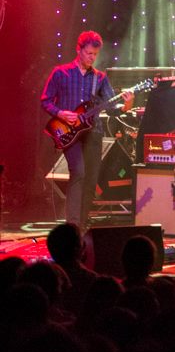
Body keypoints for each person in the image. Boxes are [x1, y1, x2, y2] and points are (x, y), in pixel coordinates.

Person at [41, 31, 133, 229]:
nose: (92, 58)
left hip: (94, 132)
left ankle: (81, 225)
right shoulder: (60, 73)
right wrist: (61, 113)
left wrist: (126, 105)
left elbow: (111, 108)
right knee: (79, 172)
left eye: (95, 54)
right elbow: (45, 101)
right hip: (68, 133)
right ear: (79, 50)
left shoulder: (99, 78)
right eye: (89, 53)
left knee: (91, 180)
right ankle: (72, 225)